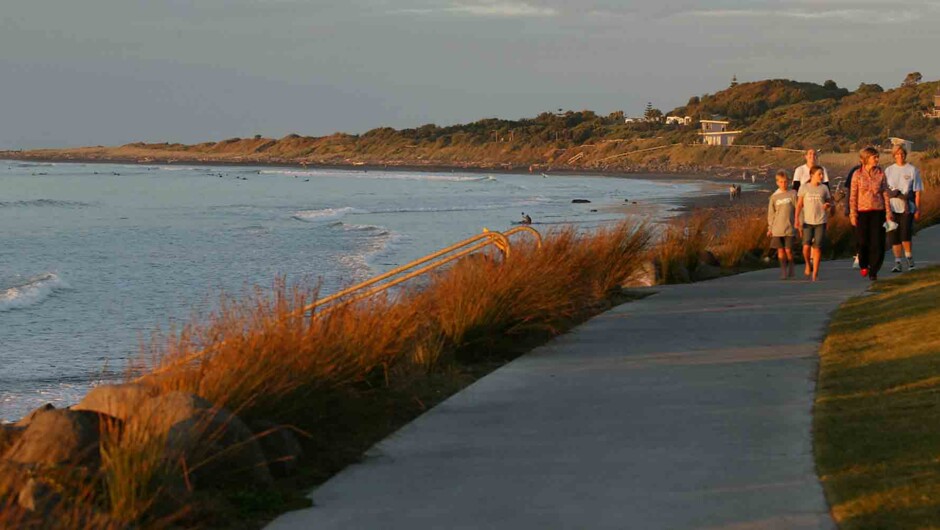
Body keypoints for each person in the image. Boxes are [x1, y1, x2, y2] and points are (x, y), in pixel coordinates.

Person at [849, 146, 894, 281]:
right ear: (866, 159)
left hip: (878, 211)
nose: (877, 159)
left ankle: (874, 270)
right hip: (862, 212)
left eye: (877, 157)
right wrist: (853, 214)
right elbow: (853, 195)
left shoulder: (880, 173)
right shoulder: (857, 174)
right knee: (862, 241)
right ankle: (864, 264)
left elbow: (885, 193)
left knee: (877, 243)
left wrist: (888, 212)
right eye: (874, 157)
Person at [884, 145, 924, 272]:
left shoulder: (913, 170)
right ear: (894, 155)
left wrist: (917, 209)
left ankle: (909, 257)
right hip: (891, 206)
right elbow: (884, 190)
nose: (899, 156)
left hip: (907, 207)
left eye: (902, 153)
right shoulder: (889, 170)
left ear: (905, 155)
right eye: (897, 154)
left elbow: (917, 191)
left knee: (905, 234)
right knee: (893, 235)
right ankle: (897, 262)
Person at [795, 166, 832, 281]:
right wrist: (796, 219)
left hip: (821, 222)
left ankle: (815, 273)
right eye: (819, 174)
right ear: (812, 175)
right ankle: (807, 263)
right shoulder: (804, 187)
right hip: (807, 222)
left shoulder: (824, 188)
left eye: (822, 174)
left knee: (817, 248)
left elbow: (829, 202)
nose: (821, 176)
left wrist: (827, 205)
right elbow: (799, 205)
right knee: (805, 247)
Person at [767, 170, 797, 279]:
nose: (783, 184)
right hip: (777, 228)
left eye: (785, 181)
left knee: (788, 250)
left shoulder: (793, 194)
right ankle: (783, 271)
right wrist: (770, 228)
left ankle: (791, 267)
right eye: (781, 182)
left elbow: (798, 209)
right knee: (780, 250)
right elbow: (771, 214)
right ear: (777, 183)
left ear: (788, 181)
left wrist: (799, 223)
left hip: (789, 227)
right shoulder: (774, 197)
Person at [842, 155, 863, 269]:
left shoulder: (876, 171)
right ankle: (858, 255)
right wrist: (847, 207)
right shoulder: (854, 171)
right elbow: (848, 189)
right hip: (855, 207)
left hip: (869, 207)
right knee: (856, 232)